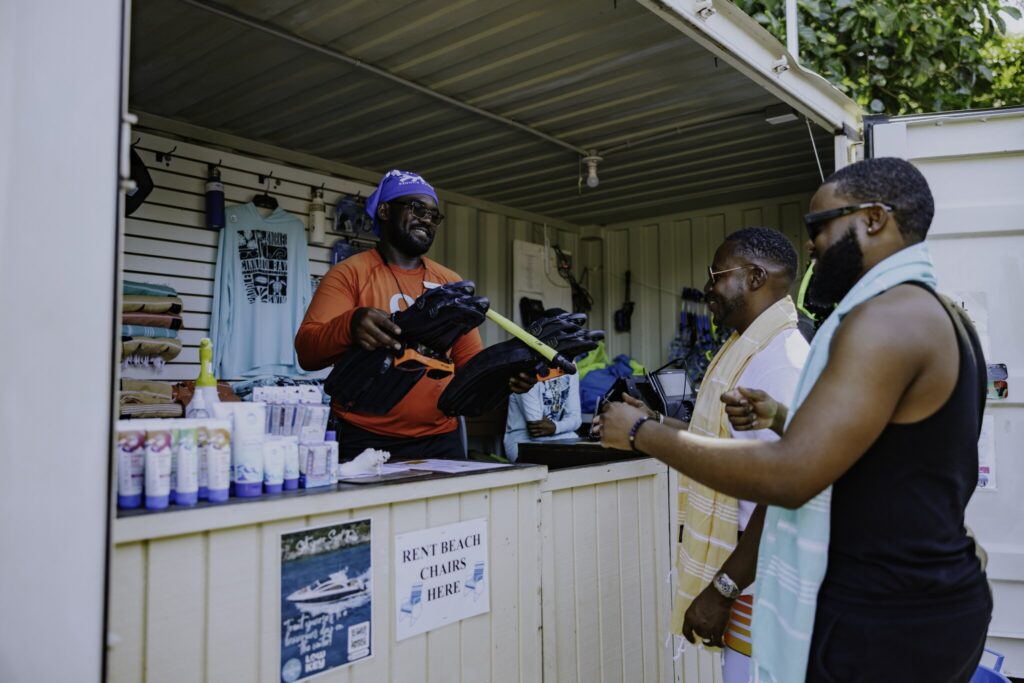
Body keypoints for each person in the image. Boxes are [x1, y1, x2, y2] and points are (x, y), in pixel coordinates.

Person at [597, 157, 991, 682]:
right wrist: (784, 416)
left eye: (819, 226)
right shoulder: (938, 310)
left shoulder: (887, 319)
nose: (810, 245)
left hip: (893, 615)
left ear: (873, 218)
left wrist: (643, 434)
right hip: (924, 597)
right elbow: (888, 451)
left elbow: (791, 476)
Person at [615, 227, 809, 683]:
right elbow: (725, 444)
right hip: (750, 574)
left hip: (763, 579)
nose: (708, 288)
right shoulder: (746, 349)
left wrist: (722, 590)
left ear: (756, 277)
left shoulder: (782, 360)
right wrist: (657, 420)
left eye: (717, 274)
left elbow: (784, 493)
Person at [295, 169, 534, 460]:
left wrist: (502, 376)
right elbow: (307, 352)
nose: (427, 219)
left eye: (434, 216)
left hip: (440, 438)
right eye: (417, 208)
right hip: (363, 438)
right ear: (384, 210)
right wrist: (350, 324)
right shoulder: (349, 274)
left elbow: (470, 363)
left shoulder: (449, 281)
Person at [503, 368, 582, 462]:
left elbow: (576, 419)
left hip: (560, 439)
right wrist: (565, 427)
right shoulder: (529, 367)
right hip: (523, 444)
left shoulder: (569, 365)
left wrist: (556, 427)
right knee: (577, 459)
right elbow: (537, 428)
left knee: (591, 456)